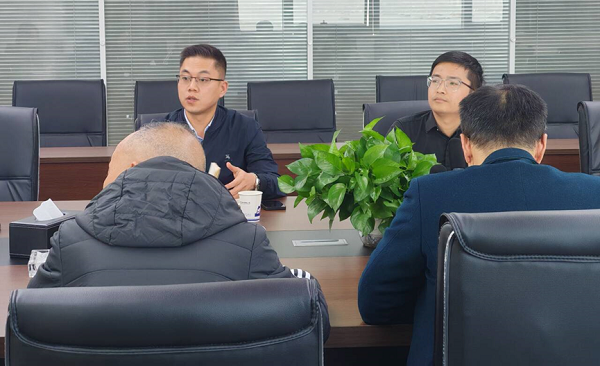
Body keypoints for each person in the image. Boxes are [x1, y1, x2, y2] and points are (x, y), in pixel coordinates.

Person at [358, 84, 600, 366]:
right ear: (542, 145)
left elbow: (374, 303)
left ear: (465, 146)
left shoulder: (430, 194)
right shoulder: (593, 195)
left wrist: (432, 305)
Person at [28, 122, 329, 338]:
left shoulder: (71, 241)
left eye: (109, 173)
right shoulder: (247, 241)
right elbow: (311, 314)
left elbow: (28, 324)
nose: (105, 184)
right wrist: (305, 277)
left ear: (131, 170)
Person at [164, 43, 284, 199]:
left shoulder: (245, 128)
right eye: (185, 78)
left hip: (228, 212)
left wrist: (254, 181)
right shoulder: (160, 130)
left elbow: (277, 182)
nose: (192, 87)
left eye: (203, 79)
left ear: (222, 88)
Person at [389, 51, 484, 169]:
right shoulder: (404, 130)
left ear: (473, 93)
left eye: (452, 83)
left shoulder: (487, 133)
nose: (440, 89)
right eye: (435, 81)